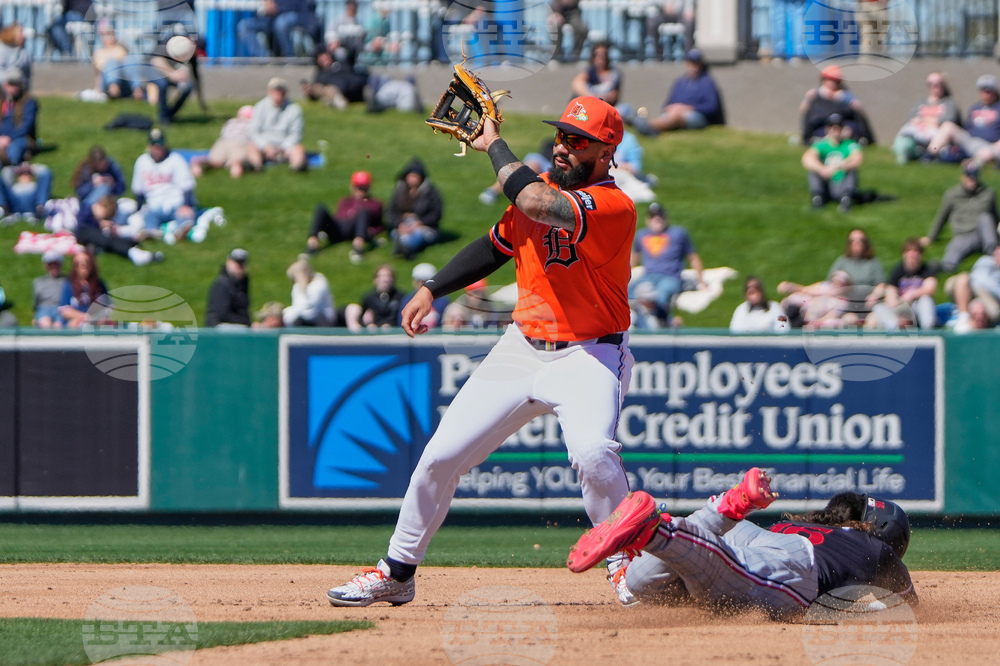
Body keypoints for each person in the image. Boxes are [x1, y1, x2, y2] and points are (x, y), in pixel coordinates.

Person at [327, 96, 639, 608]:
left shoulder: (614, 207)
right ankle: (396, 572)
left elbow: (535, 205)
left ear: (606, 153)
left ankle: (627, 561)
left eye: (577, 140)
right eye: (561, 135)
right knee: (438, 458)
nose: (563, 146)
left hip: (589, 354)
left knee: (592, 453)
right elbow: (498, 244)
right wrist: (432, 287)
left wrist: (492, 141)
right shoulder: (540, 185)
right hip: (521, 349)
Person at [566, 468, 916, 617]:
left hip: (755, 534)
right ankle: (653, 530)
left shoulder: (794, 524)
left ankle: (719, 511)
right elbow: (906, 610)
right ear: (884, 532)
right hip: (799, 567)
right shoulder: (876, 549)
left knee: (644, 584)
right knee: (721, 579)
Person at [629, 202, 705, 326]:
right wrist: (626, 277)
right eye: (653, 216)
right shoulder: (641, 235)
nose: (657, 218)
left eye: (660, 215)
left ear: (666, 217)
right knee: (628, 294)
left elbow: (693, 256)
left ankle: (663, 325)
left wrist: (701, 281)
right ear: (647, 219)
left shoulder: (679, 233)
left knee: (659, 297)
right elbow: (634, 256)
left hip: (670, 276)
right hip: (648, 276)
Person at [618, 49, 725, 136]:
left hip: (696, 116)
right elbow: (666, 105)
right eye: (691, 62)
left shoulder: (707, 82)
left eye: (696, 62)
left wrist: (687, 108)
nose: (693, 65)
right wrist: (672, 107)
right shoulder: (680, 82)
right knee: (670, 115)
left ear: (700, 64)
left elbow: (711, 107)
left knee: (676, 116)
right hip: (673, 112)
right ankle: (645, 124)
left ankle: (650, 127)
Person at [920, 161, 999, 273]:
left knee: (985, 218)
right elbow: (942, 217)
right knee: (954, 249)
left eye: (974, 178)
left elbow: (995, 218)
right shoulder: (952, 194)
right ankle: (946, 266)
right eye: (969, 177)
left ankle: (993, 253)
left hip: (984, 234)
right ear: (963, 177)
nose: (971, 181)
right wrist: (931, 237)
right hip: (964, 234)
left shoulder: (988, 193)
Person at [131, 128, 197, 244]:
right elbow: (138, 190)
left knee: (185, 215)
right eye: (154, 146)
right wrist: (139, 209)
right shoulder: (142, 161)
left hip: (176, 202)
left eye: (160, 146)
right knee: (148, 215)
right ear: (149, 146)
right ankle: (152, 232)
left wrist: (187, 205)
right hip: (154, 204)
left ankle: (181, 230)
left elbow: (187, 186)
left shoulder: (175, 159)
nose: (157, 150)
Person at [306, 170, 384, 262]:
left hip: (355, 230)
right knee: (320, 208)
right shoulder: (345, 201)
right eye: (357, 187)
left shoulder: (375, 204)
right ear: (352, 187)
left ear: (369, 188)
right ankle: (312, 243)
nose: (360, 191)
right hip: (339, 228)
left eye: (363, 188)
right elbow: (337, 216)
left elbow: (379, 225)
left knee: (363, 211)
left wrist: (372, 233)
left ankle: (358, 246)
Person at [866, 238, 938, 331]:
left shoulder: (926, 269)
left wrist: (913, 294)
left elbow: (930, 288)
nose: (912, 254)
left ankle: (928, 329)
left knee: (926, 299)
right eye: (909, 251)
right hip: (902, 307)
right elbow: (890, 290)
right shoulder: (898, 270)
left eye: (916, 251)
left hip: (917, 306)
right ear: (904, 254)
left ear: (920, 254)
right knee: (879, 307)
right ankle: (896, 328)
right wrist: (893, 302)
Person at [927, 74, 1000, 165]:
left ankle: (973, 163)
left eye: (989, 90)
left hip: (990, 145)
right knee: (948, 125)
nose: (985, 92)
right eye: (982, 89)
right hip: (971, 142)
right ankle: (928, 156)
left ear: (995, 91)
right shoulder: (975, 108)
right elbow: (966, 127)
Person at [893, 71, 962, 164]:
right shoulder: (921, 102)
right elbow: (911, 120)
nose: (934, 86)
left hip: (936, 139)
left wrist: (923, 120)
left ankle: (927, 156)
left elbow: (946, 122)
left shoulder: (949, 103)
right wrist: (931, 121)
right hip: (918, 136)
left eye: (938, 84)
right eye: (931, 84)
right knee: (904, 140)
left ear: (943, 85)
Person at [75, 194, 164, 266]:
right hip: (84, 233)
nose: (105, 218)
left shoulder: (91, 211)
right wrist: (99, 223)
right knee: (108, 239)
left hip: (93, 235)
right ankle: (134, 253)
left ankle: (133, 247)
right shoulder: (86, 208)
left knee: (110, 239)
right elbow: (81, 224)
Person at [802, 113, 863, 212]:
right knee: (813, 171)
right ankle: (818, 198)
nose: (835, 130)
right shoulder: (821, 144)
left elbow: (857, 158)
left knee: (852, 171)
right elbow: (807, 158)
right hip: (826, 182)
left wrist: (841, 166)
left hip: (840, 182)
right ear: (827, 129)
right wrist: (822, 169)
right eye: (832, 127)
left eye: (838, 127)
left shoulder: (849, 144)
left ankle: (846, 199)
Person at [800, 65, 873, 145]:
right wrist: (809, 98)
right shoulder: (814, 94)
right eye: (830, 80)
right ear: (823, 80)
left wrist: (842, 98)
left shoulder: (846, 95)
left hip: (843, 125)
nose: (832, 83)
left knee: (848, 129)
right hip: (823, 126)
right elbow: (804, 110)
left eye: (836, 81)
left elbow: (858, 110)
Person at [388, 158, 443, 260]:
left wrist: (420, 223)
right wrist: (400, 224)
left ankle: (407, 247)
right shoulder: (400, 190)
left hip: (424, 226)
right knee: (396, 233)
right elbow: (391, 211)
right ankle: (405, 246)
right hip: (403, 225)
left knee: (419, 234)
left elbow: (436, 214)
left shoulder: (430, 192)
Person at [248, 77, 306, 172]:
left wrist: (284, 147)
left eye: (281, 90)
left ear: (285, 92)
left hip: (285, 145)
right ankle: (256, 166)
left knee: (298, 149)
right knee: (251, 146)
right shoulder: (260, 106)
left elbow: (296, 133)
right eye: (275, 90)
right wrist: (266, 146)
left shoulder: (294, 109)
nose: (278, 93)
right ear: (269, 91)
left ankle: (296, 167)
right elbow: (254, 131)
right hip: (265, 145)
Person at [190, 106, 261, 179]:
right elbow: (254, 137)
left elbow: (223, 132)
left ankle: (199, 161)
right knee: (236, 159)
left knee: (215, 161)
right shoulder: (251, 124)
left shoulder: (231, 121)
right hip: (239, 143)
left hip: (222, 142)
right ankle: (236, 165)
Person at [238, 0, 323, 57]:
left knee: (281, 23)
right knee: (244, 25)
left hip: (296, 14)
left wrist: (278, 8)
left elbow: (306, 7)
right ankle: (264, 58)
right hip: (270, 18)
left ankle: (289, 58)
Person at [946, 245, 1000, 332]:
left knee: (985, 310)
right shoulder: (985, 261)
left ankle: (975, 333)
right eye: (997, 254)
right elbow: (978, 277)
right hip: (973, 288)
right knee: (963, 278)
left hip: (989, 297)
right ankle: (963, 318)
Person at [778, 271, 855, 329]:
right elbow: (806, 290)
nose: (835, 285)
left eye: (840, 283)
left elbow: (831, 316)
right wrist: (791, 287)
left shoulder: (842, 301)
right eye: (834, 281)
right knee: (793, 305)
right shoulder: (825, 286)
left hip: (813, 320)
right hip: (803, 310)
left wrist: (816, 323)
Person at [147, 40, 195, 125]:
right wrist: (171, 73)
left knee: (189, 86)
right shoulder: (170, 43)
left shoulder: (190, 50)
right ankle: (164, 117)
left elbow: (191, 72)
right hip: (155, 70)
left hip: (173, 73)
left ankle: (170, 114)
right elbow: (156, 60)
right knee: (162, 84)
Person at [344, 263, 403, 332]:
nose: (385, 280)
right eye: (381, 276)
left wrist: (390, 325)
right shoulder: (369, 298)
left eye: (388, 276)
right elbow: (362, 318)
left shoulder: (400, 297)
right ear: (375, 280)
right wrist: (367, 323)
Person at [58, 251, 108, 329]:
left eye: (86, 262)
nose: (82, 265)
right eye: (78, 263)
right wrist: (87, 317)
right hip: (76, 323)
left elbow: (108, 307)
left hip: (97, 322)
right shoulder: (69, 284)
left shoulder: (99, 285)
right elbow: (65, 311)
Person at [282, 254, 335, 327]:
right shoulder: (297, 286)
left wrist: (303, 287)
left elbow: (310, 310)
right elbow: (297, 306)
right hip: (304, 318)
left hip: (321, 318)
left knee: (300, 320)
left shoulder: (319, 283)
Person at [71, 146, 127, 212]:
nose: (102, 167)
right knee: (104, 188)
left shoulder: (112, 166)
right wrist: (92, 184)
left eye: (104, 164)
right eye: (99, 165)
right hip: (89, 204)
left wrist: (113, 184)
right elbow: (80, 193)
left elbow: (122, 189)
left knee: (105, 188)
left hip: (109, 203)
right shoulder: (86, 170)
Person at [0, 68, 37, 167]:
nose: (12, 88)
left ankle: (9, 166)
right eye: (10, 84)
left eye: (15, 84)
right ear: (4, 84)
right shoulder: (2, 99)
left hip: (20, 137)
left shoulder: (29, 102)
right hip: (1, 138)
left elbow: (26, 126)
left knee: (14, 152)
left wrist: (8, 138)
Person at [205, 248, 251, 328]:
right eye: (237, 263)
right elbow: (223, 314)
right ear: (228, 263)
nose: (239, 267)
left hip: (235, 325)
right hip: (220, 326)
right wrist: (247, 324)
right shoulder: (222, 284)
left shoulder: (242, 283)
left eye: (242, 264)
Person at [398, 262, 449, 330]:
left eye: (425, 281)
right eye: (418, 280)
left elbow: (444, 324)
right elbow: (401, 323)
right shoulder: (407, 300)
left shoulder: (442, 301)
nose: (421, 284)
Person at [33, 249, 67, 328]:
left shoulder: (67, 281)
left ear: (61, 264)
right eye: (50, 264)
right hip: (44, 308)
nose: (53, 266)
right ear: (46, 265)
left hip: (61, 309)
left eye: (56, 263)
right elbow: (36, 303)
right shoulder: (39, 282)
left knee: (58, 325)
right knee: (45, 324)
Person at [0, 24, 30, 90]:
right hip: (4, 86)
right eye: (21, 32)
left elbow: (27, 74)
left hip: (19, 86)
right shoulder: (2, 49)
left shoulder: (24, 52)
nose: (23, 36)